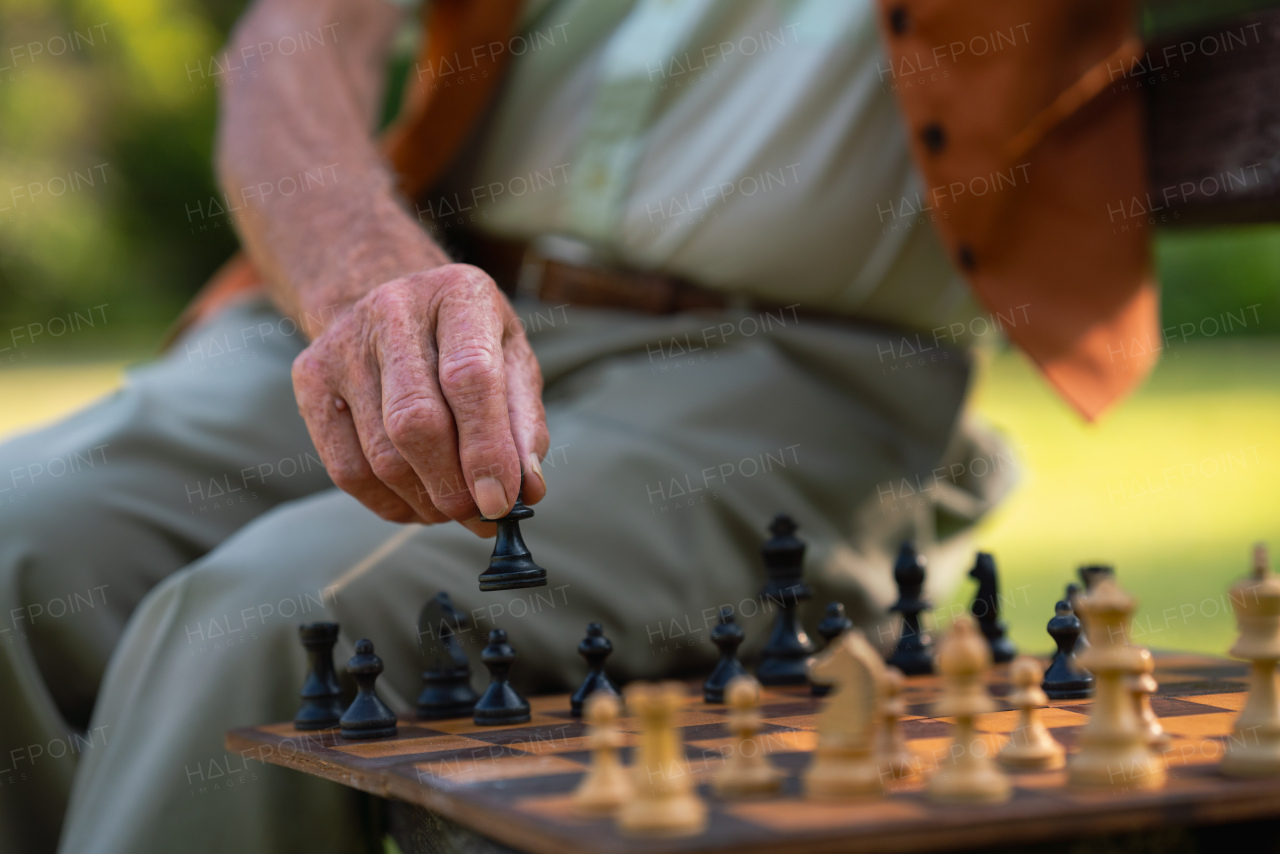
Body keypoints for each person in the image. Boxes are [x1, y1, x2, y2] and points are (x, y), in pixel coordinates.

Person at [0, 0, 1157, 851]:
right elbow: (288, 42)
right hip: (415, 288)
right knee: (16, 533)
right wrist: (363, 275)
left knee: (256, 625)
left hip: (779, 371)